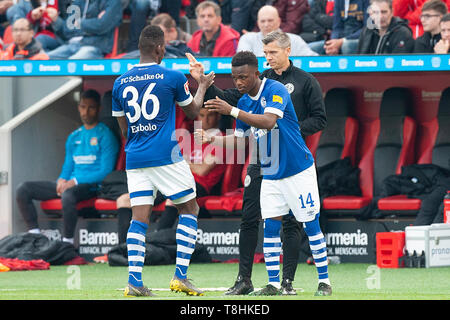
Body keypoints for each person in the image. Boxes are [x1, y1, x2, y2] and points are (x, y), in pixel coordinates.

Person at [188, 30, 327, 296]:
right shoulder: (258, 80)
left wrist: (290, 129)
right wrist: (203, 83)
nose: (269, 58)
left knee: (292, 223)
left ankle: (287, 281)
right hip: (260, 159)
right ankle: (245, 279)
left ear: (288, 51)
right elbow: (232, 99)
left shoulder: (305, 81)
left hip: (290, 158)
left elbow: (320, 120)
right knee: (250, 219)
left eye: (273, 52)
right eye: (265, 54)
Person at [111, 25, 215, 297]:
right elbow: (193, 112)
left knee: (139, 218)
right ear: (159, 48)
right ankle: (180, 276)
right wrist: (201, 84)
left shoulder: (120, 82)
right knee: (190, 209)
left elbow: (123, 130)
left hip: (135, 157)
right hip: (165, 156)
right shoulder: (172, 76)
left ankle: (134, 281)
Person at [15, 89, 119, 245]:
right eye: (83, 107)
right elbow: (68, 165)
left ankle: (67, 243)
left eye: (91, 107)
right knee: (23, 189)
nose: (86, 112)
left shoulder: (106, 135)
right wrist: (61, 180)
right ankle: (34, 235)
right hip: (71, 185)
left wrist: (74, 182)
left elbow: (106, 172)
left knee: (68, 195)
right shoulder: (74, 136)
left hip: (92, 187)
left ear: (98, 108)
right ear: (79, 107)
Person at [46, 0, 122, 59]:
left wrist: (80, 23)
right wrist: (93, 23)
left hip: (95, 46)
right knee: (45, 60)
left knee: (72, 63)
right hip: (72, 44)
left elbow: (102, 26)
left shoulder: (113, 1)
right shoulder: (78, 2)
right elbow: (67, 29)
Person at [237, 5, 318, 56]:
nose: (266, 24)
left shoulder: (294, 40)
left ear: (279, 21)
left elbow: (313, 61)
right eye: (262, 21)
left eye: (270, 20)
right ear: (258, 23)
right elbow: (243, 63)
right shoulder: (247, 39)